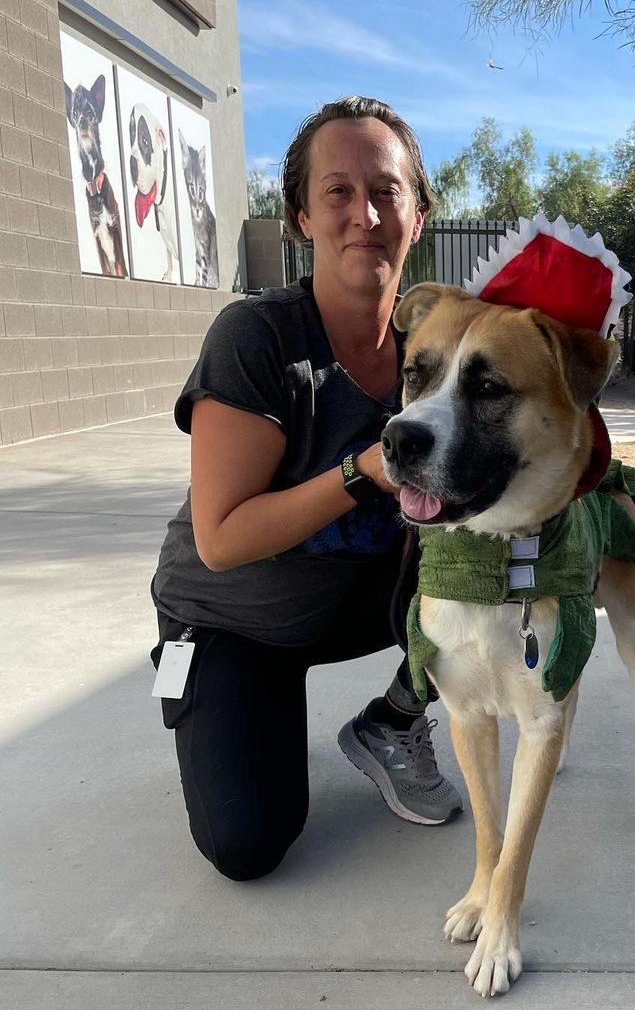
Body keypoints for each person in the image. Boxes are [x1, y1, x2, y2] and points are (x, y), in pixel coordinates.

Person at [149, 96, 463, 882]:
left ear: (417, 215)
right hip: (230, 617)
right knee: (246, 847)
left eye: (387, 191)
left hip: (355, 596)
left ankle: (393, 720)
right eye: (338, 192)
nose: (365, 213)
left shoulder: (438, 348)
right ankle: (224, 698)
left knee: (500, 562)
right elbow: (221, 539)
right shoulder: (256, 337)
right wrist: (366, 471)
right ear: (300, 216)